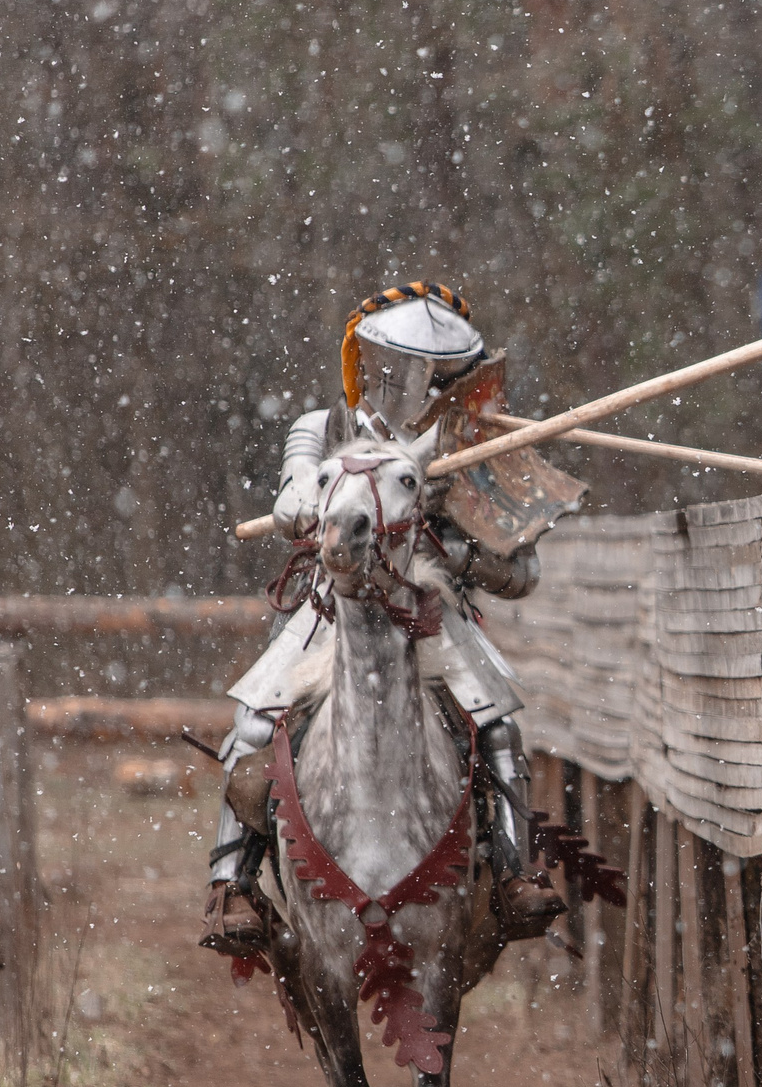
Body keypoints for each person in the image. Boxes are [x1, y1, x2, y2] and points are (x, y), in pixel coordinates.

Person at [201, 282, 585, 958]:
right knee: (254, 723)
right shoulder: (323, 428)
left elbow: (523, 573)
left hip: (428, 615)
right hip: (331, 610)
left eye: (431, 371)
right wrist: (320, 499)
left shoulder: (475, 446)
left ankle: (513, 871)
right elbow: (293, 500)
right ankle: (233, 882)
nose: (410, 383)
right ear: (370, 360)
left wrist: (455, 548)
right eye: (401, 366)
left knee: (497, 726)